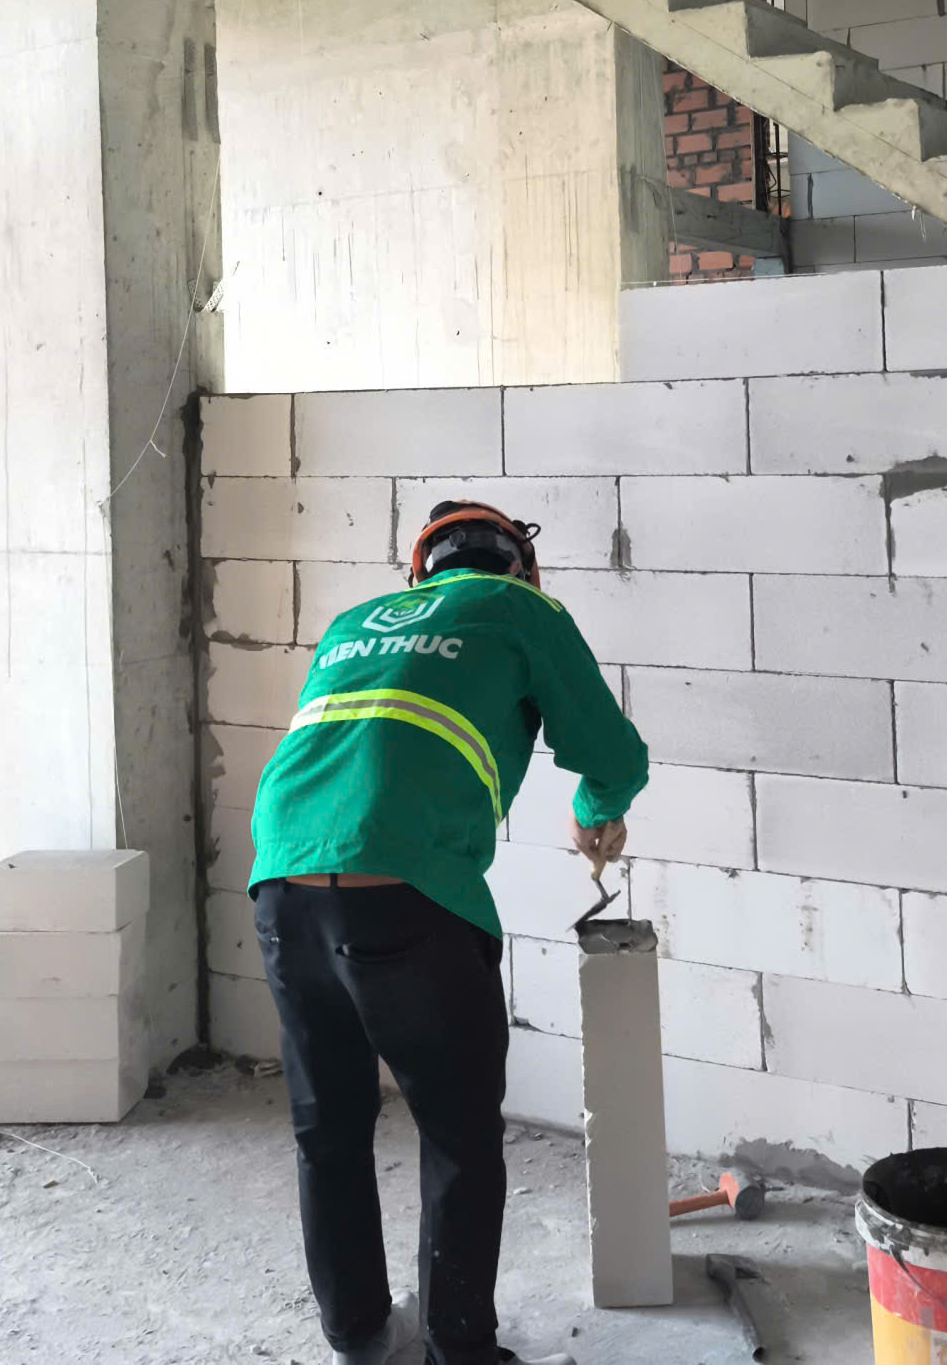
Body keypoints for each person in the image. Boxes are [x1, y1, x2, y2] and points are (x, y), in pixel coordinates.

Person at [249, 500, 651, 1365]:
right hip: (405, 890)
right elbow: (613, 753)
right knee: (459, 1137)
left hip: (282, 880)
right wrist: (597, 811)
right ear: (521, 568)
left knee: (328, 1128)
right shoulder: (519, 609)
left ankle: (359, 1336)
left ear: (422, 571)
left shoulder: (354, 622)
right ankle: (460, 1354)